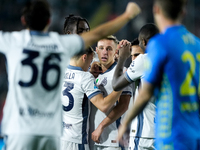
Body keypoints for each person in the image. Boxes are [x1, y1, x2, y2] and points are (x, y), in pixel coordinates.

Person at [0, 0, 141, 149]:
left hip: (21, 128)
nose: (86, 36)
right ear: (49, 21)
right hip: (53, 132)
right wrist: (127, 15)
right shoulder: (62, 46)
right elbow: (99, 33)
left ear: (23, 20)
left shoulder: (13, 41)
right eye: (82, 32)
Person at [117, 0, 200, 150]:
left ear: (156, 10)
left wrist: (126, 122)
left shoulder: (159, 44)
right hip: (193, 133)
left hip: (169, 132)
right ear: (183, 12)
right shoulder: (197, 45)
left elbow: (145, 93)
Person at [60, 14, 124, 150]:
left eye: (88, 30)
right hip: (78, 137)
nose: (87, 34)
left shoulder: (92, 56)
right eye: (82, 31)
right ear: (68, 34)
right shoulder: (60, 60)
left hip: (90, 136)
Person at [112, 24, 159, 150]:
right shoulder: (171, 59)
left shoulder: (144, 60)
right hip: (165, 133)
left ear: (143, 42)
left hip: (144, 135)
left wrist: (122, 58)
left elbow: (116, 85)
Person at [90, 35, 132, 150]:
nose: (105, 52)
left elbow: (123, 105)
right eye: (102, 48)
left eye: (109, 49)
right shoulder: (93, 73)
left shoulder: (121, 72)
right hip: (93, 139)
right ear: (96, 51)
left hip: (112, 141)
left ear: (115, 52)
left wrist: (101, 126)